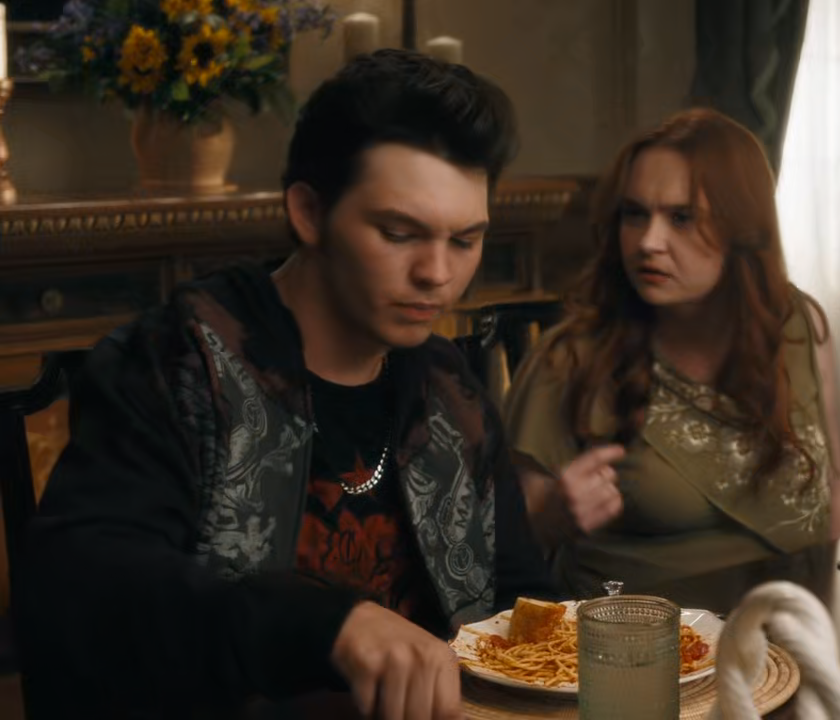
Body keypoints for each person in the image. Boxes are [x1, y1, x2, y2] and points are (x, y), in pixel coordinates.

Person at [15, 50, 551, 719]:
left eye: (465, 241)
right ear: (309, 211)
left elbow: (518, 603)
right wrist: (326, 625)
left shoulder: (449, 389)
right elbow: (84, 592)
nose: (438, 274)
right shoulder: (177, 364)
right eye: (399, 233)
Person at [502, 108, 840, 599]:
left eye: (681, 217)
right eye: (634, 214)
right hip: (645, 633)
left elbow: (835, 486)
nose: (648, 242)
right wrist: (552, 516)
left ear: (741, 228)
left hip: (797, 618)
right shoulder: (568, 360)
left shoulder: (797, 324)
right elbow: (506, 550)